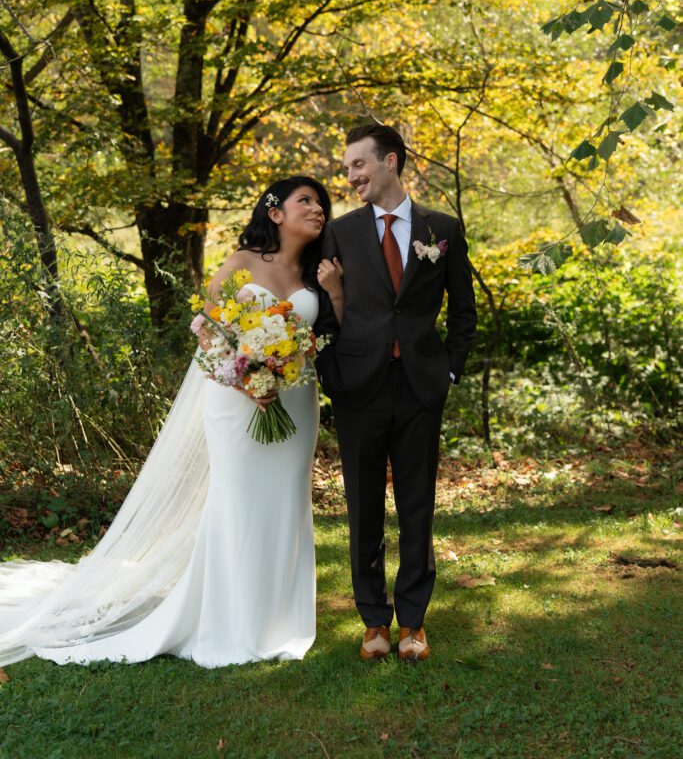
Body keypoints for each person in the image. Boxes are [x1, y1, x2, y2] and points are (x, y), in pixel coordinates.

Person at [0, 177, 330, 668]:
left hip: (297, 401)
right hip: (236, 399)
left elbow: (319, 336)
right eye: (306, 199)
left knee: (286, 503)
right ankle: (229, 623)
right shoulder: (242, 263)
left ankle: (279, 622)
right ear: (275, 212)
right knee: (237, 502)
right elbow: (209, 332)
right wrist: (248, 381)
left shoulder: (316, 275)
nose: (319, 207)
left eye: (323, 202)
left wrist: (330, 297)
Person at [315, 124, 476, 663]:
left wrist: (448, 371)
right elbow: (326, 313)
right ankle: (373, 622)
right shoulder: (339, 233)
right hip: (358, 389)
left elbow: (464, 312)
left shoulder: (443, 229)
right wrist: (332, 373)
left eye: (358, 165)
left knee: (416, 506)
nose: (351, 176)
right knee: (363, 507)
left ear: (389, 161)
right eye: (347, 168)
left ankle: (413, 621)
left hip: (419, 388)